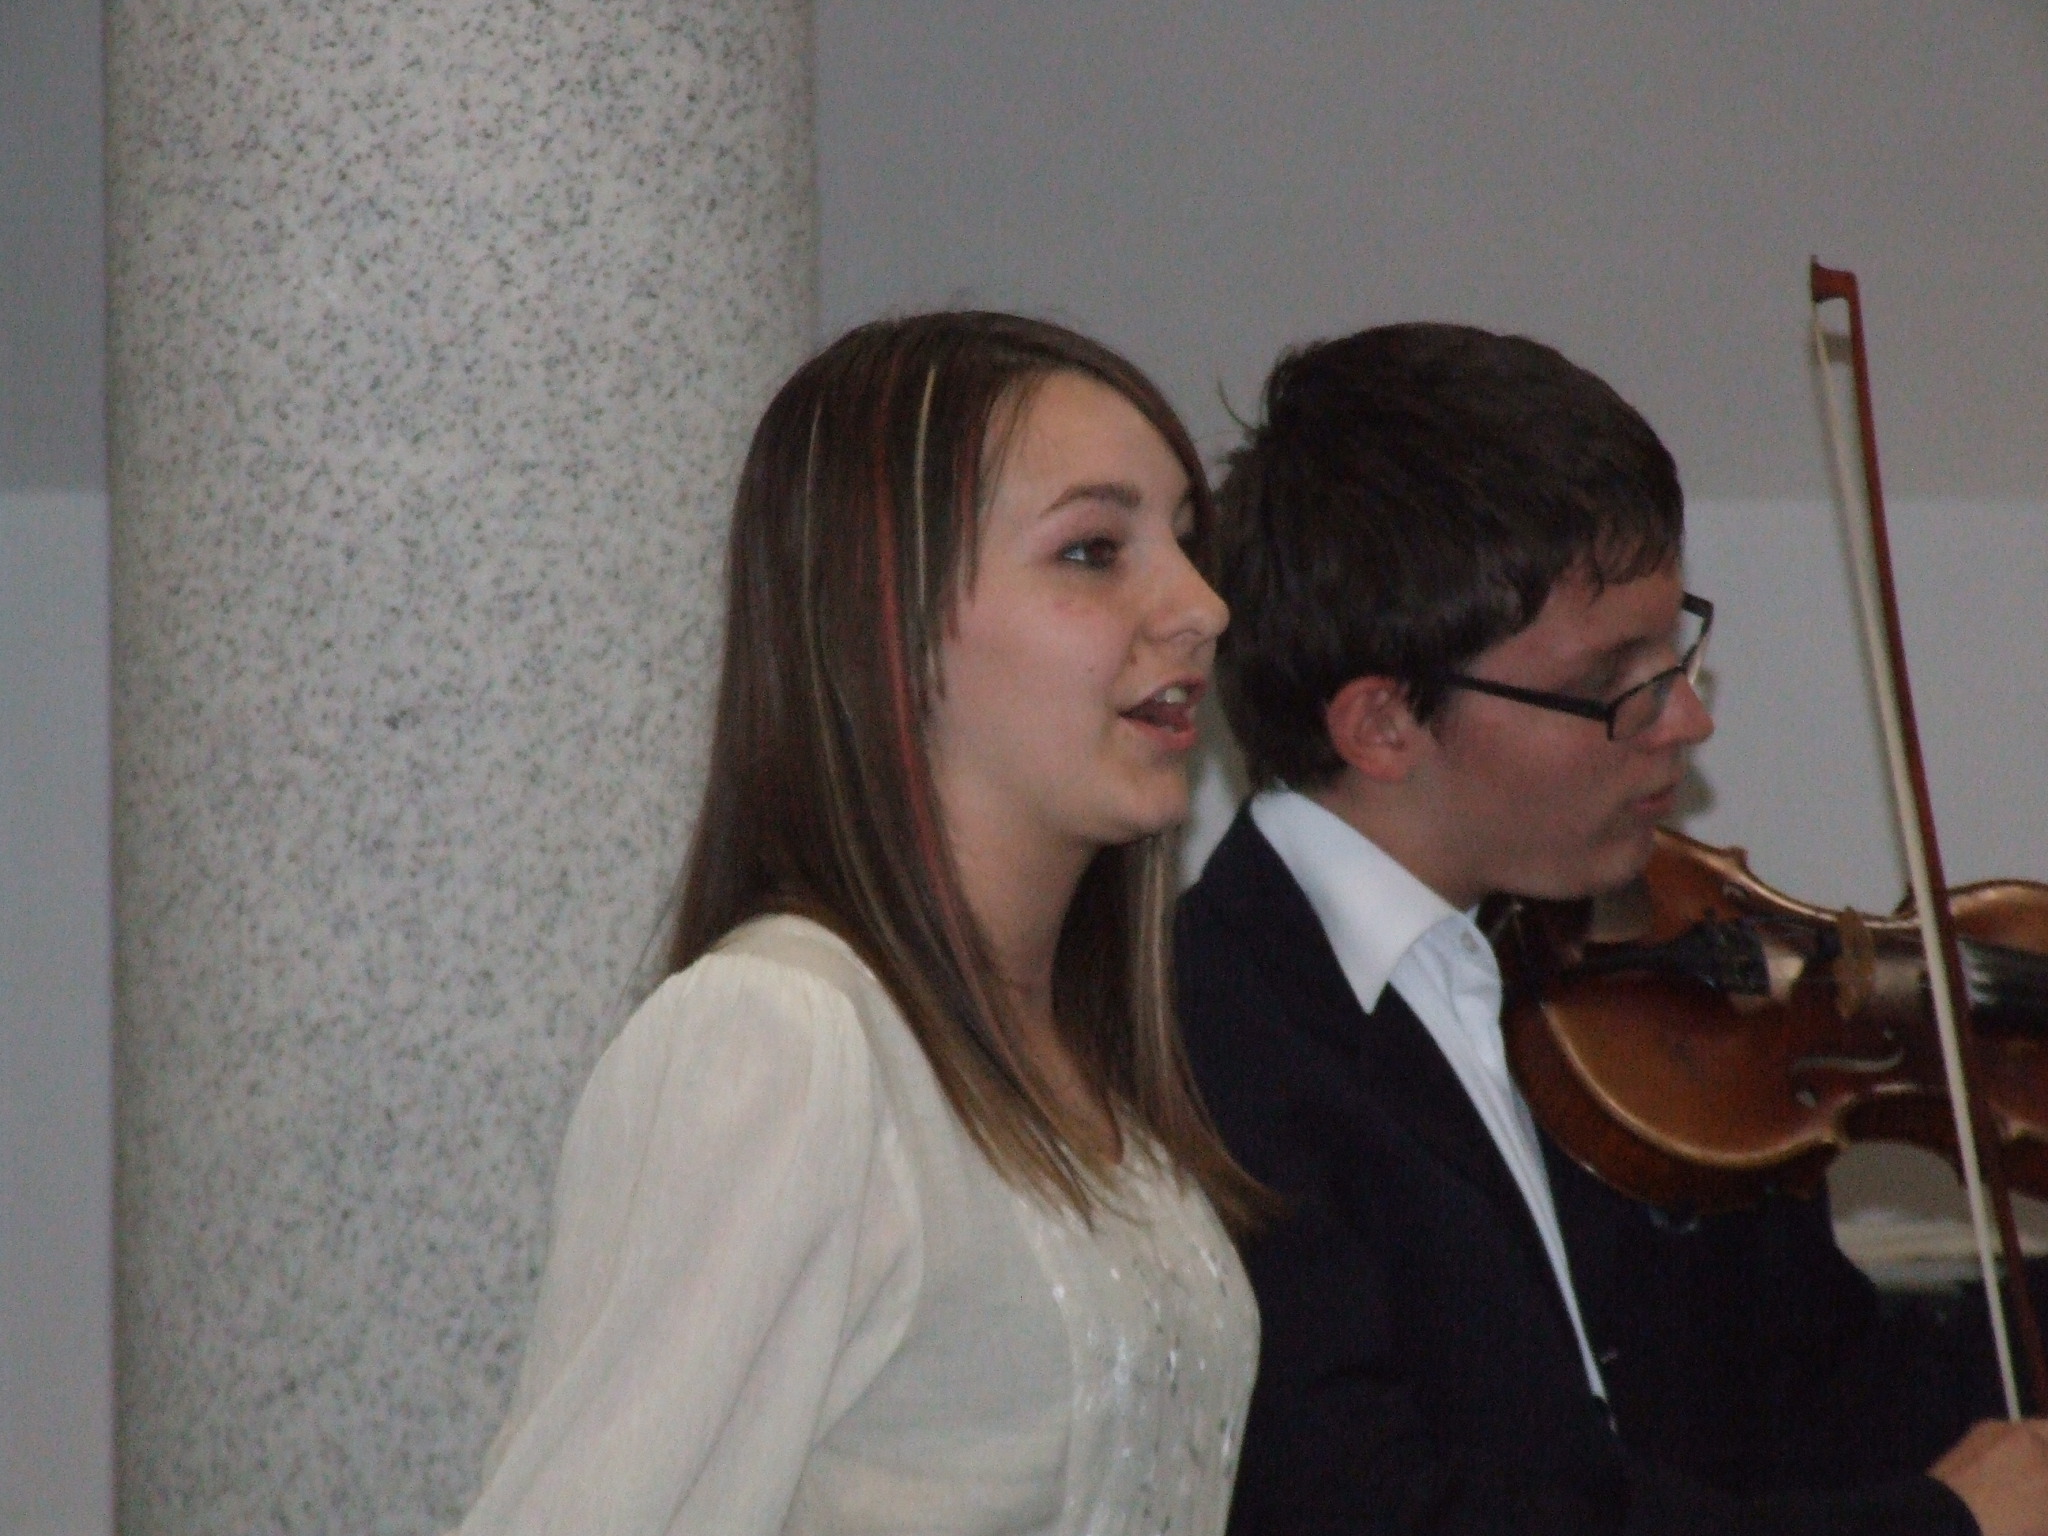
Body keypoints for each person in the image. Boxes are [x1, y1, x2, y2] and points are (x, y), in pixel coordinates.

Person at [1175, 321, 2048, 1536]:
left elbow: (1800, 1403)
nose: (1684, 717)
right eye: (1611, 682)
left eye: (1673, 648)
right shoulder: (1204, 1042)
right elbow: (1376, 1511)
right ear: (1380, 725)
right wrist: (1934, 1528)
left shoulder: (1631, 997)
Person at [456, 313, 1264, 1535]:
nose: (1199, 606)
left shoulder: (1088, 1070)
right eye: (1094, 551)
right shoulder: (784, 1036)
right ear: (887, 622)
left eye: (1187, 544)